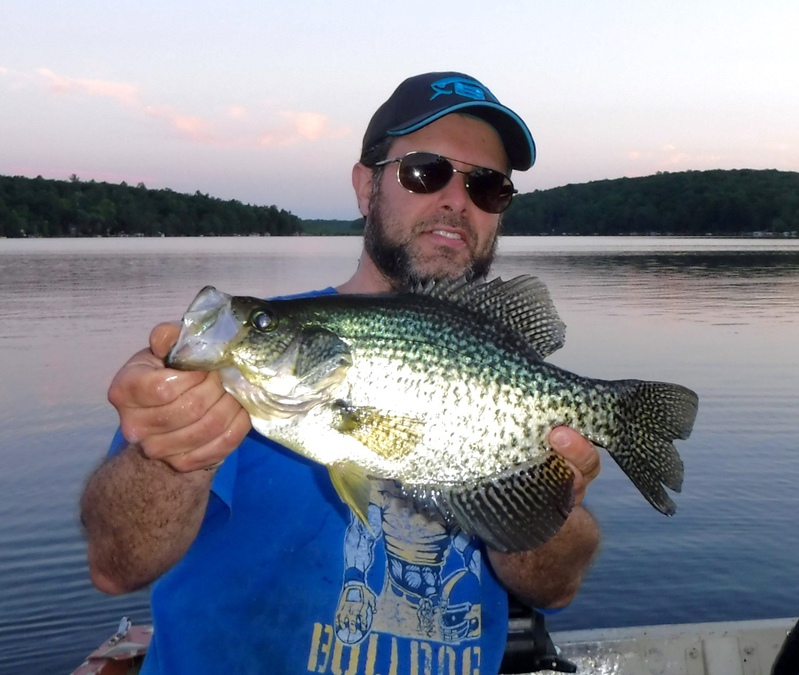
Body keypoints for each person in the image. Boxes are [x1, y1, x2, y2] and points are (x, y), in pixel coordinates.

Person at [80, 71, 601, 675]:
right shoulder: (231, 371)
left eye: (487, 185)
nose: (457, 201)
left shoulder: (507, 380)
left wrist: (543, 500)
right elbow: (114, 565)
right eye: (425, 172)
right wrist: (173, 456)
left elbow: (556, 587)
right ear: (365, 186)